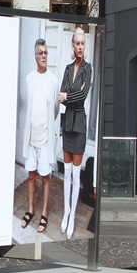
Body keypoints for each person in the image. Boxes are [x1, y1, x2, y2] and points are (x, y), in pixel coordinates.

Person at [22, 38, 60, 233]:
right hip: (32, 137)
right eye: (40, 53)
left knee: (45, 177)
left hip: (45, 139)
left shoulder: (53, 80)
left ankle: (44, 213)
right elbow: (30, 107)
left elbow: (54, 110)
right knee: (31, 176)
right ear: (35, 56)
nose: (44, 56)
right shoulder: (29, 79)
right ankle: (30, 210)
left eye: (46, 52)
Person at [59, 28, 92, 239]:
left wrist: (67, 97)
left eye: (83, 44)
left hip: (79, 125)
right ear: (73, 45)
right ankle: (66, 212)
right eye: (77, 43)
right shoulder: (68, 68)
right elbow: (61, 92)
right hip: (67, 124)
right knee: (67, 173)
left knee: (76, 174)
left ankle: (72, 219)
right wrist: (69, 96)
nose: (80, 47)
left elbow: (81, 95)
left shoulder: (88, 69)